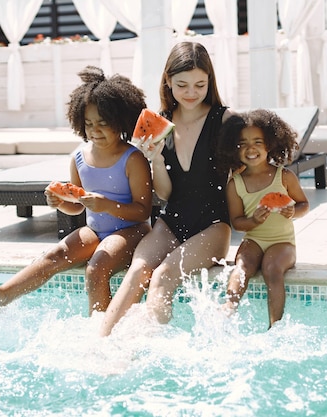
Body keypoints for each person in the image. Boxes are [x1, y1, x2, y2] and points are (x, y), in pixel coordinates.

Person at [0, 66, 153, 315]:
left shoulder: (133, 159)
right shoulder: (78, 157)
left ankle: (101, 333)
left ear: (121, 122)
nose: (94, 131)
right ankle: (0, 297)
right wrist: (60, 202)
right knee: (55, 254)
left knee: (97, 267)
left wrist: (107, 205)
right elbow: (77, 205)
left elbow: (143, 212)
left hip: (132, 231)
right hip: (96, 229)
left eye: (102, 124)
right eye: (88, 124)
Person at [100, 41, 233, 336]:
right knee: (137, 272)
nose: (191, 93)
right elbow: (166, 195)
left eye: (200, 85)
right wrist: (156, 159)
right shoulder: (161, 122)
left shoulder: (225, 120)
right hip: (171, 220)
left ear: (210, 82)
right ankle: (100, 344)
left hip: (213, 226)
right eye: (182, 85)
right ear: (168, 82)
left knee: (162, 276)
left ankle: (143, 350)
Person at [217, 109, 310, 328]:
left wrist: (293, 211)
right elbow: (238, 222)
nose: (251, 148)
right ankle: (228, 308)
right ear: (233, 149)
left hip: (282, 242)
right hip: (254, 238)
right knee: (242, 265)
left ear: (271, 143)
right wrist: (254, 221)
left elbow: (304, 204)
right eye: (243, 143)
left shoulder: (284, 176)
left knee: (272, 269)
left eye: (258, 141)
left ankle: (274, 325)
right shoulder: (235, 184)